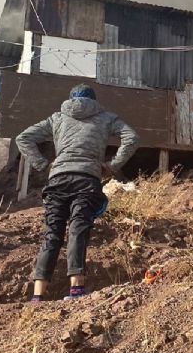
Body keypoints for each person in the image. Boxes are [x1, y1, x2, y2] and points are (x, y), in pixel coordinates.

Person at [16, 84, 139, 302]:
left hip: (58, 180)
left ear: (70, 99)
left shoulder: (57, 118)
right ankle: (76, 290)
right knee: (78, 229)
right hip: (86, 179)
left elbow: (23, 138)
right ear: (94, 100)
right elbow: (131, 137)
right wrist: (112, 165)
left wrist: (43, 164)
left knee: (52, 233)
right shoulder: (106, 117)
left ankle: (37, 295)